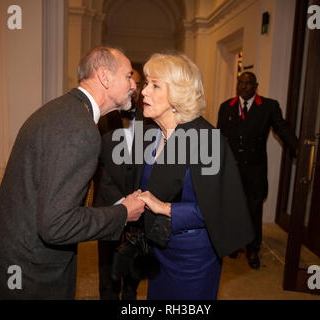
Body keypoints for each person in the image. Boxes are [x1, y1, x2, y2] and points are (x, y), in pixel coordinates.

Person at [0, 46, 145, 299]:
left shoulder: (62, 109)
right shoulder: (80, 130)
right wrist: (123, 212)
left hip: (9, 255)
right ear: (104, 76)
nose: (133, 85)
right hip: (28, 272)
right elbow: (57, 225)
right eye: (128, 76)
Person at [134, 52, 254, 300]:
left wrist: (165, 208)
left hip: (191, 257)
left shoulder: (206, 140)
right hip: (158, 246)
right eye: (146, 83)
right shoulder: (150, 133)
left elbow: (221, 209)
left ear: (178, 94)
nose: (144, 91)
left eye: (155, 85)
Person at [217, 72, 298, 269]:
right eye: (240, 82)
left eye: (248, 83)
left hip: (255, 168)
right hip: (232, 168)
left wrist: (298, 148)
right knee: (232, 207)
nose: (243, 86)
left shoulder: (269, 106)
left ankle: (253, 248)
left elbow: (282, 129)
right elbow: (218, 137)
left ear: (256, 86)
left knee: (253, 209)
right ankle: (234, 243)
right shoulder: (226, 106)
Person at [93, 69, 144, 300]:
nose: (133, 87)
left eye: (137, 84)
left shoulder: (152, 117)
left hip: (141, 202)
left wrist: (137, 199)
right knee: (108, 268)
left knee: (134, 265)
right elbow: (97, 166)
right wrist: (121, 202)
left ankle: (130, 297)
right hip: (108, 203)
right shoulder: (102, 117)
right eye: (128, 81)